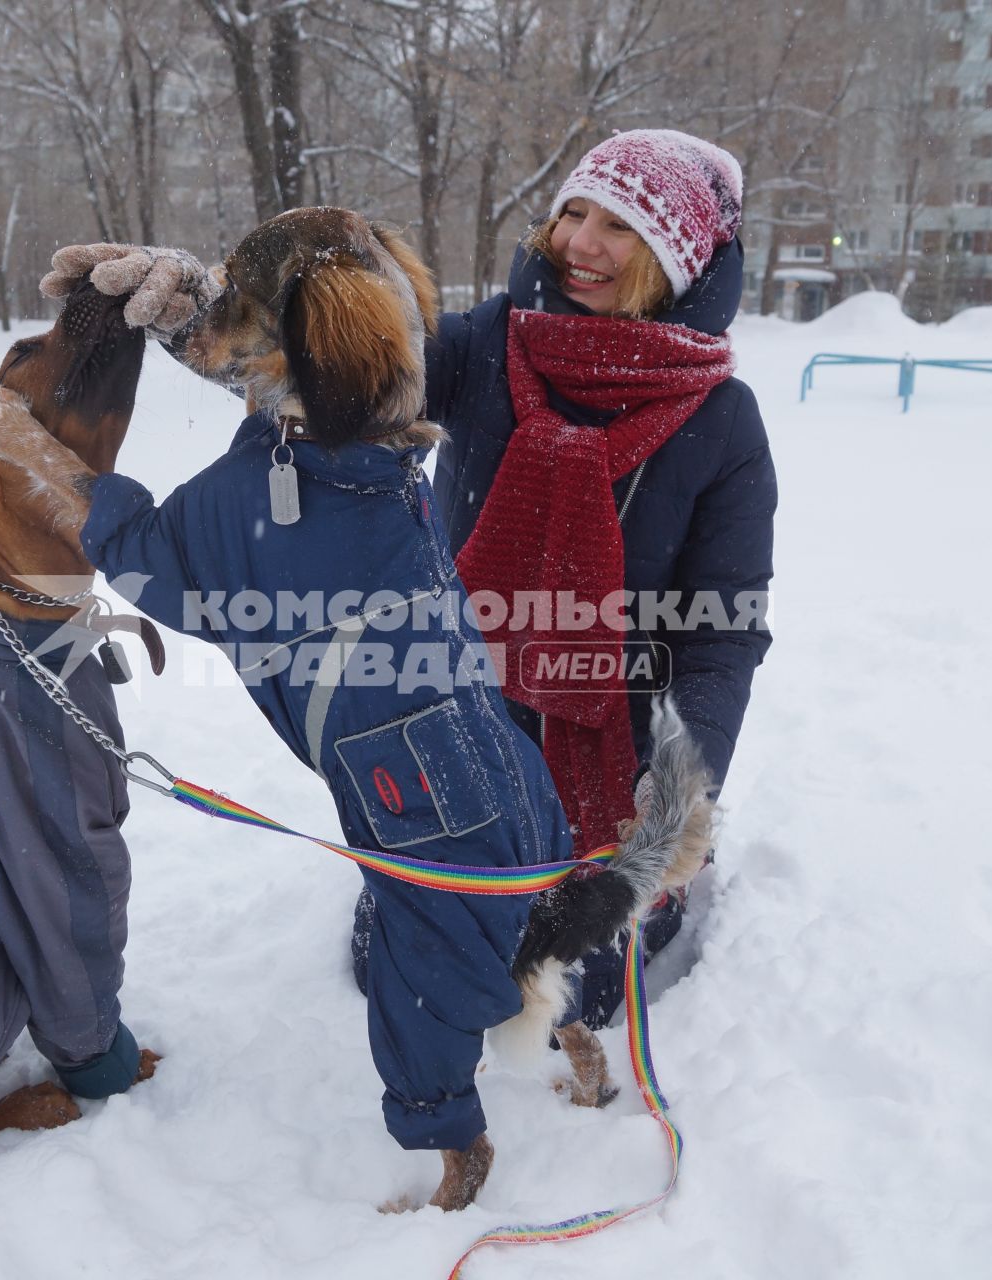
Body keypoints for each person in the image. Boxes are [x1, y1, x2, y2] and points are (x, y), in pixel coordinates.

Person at [396, 128, 775, 1029]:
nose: (579, 243)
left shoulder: (721, 421)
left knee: (576, 990)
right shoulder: (492, 341)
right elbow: (348, 377)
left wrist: (679, 783)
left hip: (614, 743)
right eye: (573, 212)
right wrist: (212, 319)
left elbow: (723, 629)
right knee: (413, 966)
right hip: (459, 705)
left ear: (672, 262)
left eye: (619, 227)